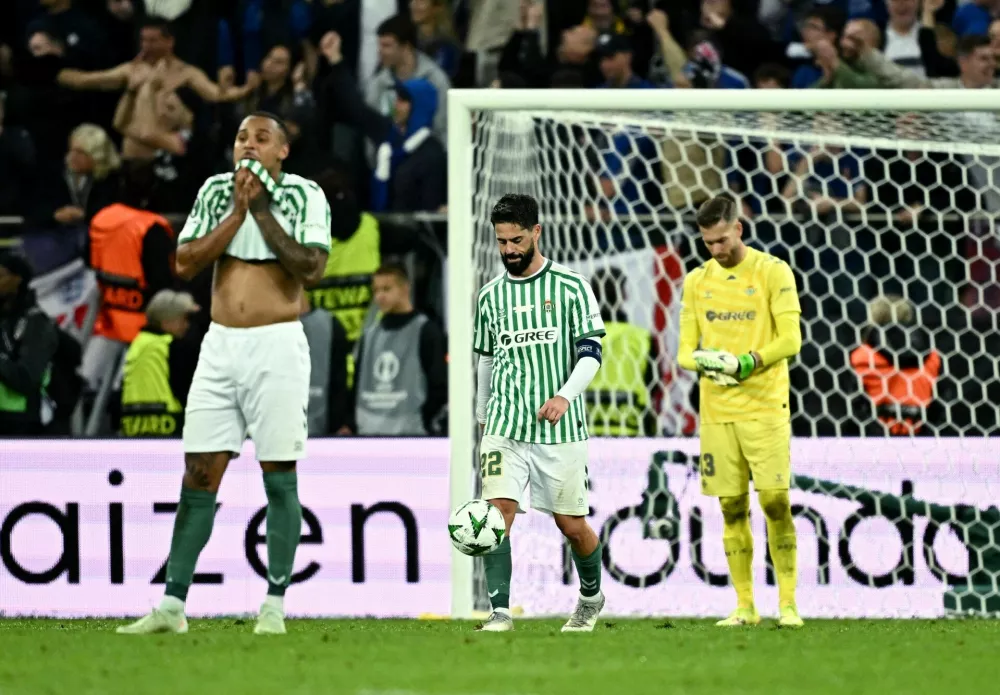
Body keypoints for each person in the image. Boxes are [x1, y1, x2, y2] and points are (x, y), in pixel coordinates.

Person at [116, 111, 331, 636]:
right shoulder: (216, 192)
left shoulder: (305, 195)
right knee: (199, 474)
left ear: (283, 151)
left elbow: (310, 267)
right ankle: (171, 605)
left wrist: (260, 211)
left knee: (278, 475)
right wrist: (237, 212)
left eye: (262, 139)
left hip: (276, 345)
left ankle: (274, 605)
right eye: (241, 137)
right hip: (219, 346)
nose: (248, 146)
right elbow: (185, 263)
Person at [475, 194, 606, 633]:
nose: (509, 250)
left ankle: (591, 598)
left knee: (572, 527)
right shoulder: (490, 296)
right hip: (504, 426)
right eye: (501, 242)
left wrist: (565, 395)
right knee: (495, 517)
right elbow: (487, 361)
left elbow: (590, 352)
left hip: (560, 429)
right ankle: (499, 613)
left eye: (516, 240)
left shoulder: (571, 287)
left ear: (537, 233)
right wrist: (481, 416)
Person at [677, 192, 804, 628]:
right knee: (731, 507)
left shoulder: (773, 272)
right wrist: (714, 361)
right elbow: (684, 354)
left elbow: (791, 341)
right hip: (717, 410)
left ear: (739, 229)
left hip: (766, 405)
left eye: (722, 240)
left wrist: (746, 362)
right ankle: (744, 606)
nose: (716, 250)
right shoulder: (696, 281)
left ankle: (787, 604)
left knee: (775, 501)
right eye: (708, 243)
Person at [347, 263, 447, 436]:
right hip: (368, 436)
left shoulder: (426, 331)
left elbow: (439, 384)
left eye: (386, 289)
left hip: (412, 436)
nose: (380, 296)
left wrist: (423, 420)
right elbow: (357, 385)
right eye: (376, 290)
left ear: (405, 288)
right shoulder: (369, 335)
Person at [119, 290, 201, 438]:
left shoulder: (137, 345)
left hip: (132, 430)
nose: (187, 325)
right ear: (166, 322)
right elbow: (190, 393)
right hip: (170, 431)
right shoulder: (174, 347)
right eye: (183, 319)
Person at [0, 252, 59, 437]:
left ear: (17, 280)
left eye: (0, 275)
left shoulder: (36, 323)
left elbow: (26, 378)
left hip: (23, 424)